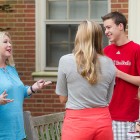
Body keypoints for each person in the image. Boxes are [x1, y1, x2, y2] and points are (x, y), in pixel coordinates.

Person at [56, 20, 116, 140]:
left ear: (79, 37)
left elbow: (62, 98)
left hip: (76, 124)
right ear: (98, 38)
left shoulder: (65, 61)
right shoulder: (110, 63)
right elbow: (107, 99)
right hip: (103, 123)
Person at [0, 31, 52, 140]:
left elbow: (18, 92)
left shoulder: (11, 69)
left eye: (10, 42)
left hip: (18, 132)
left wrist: (33, 88)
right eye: (5, 42)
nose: (10, 45)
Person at [102, 11, 140, 140]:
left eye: (108, 27)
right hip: (105, 116)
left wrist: (119, 73)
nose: (106, 32)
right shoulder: (106, 51)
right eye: (104, 28)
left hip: (128, 117)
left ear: (120, 26)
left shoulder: (136, 50)